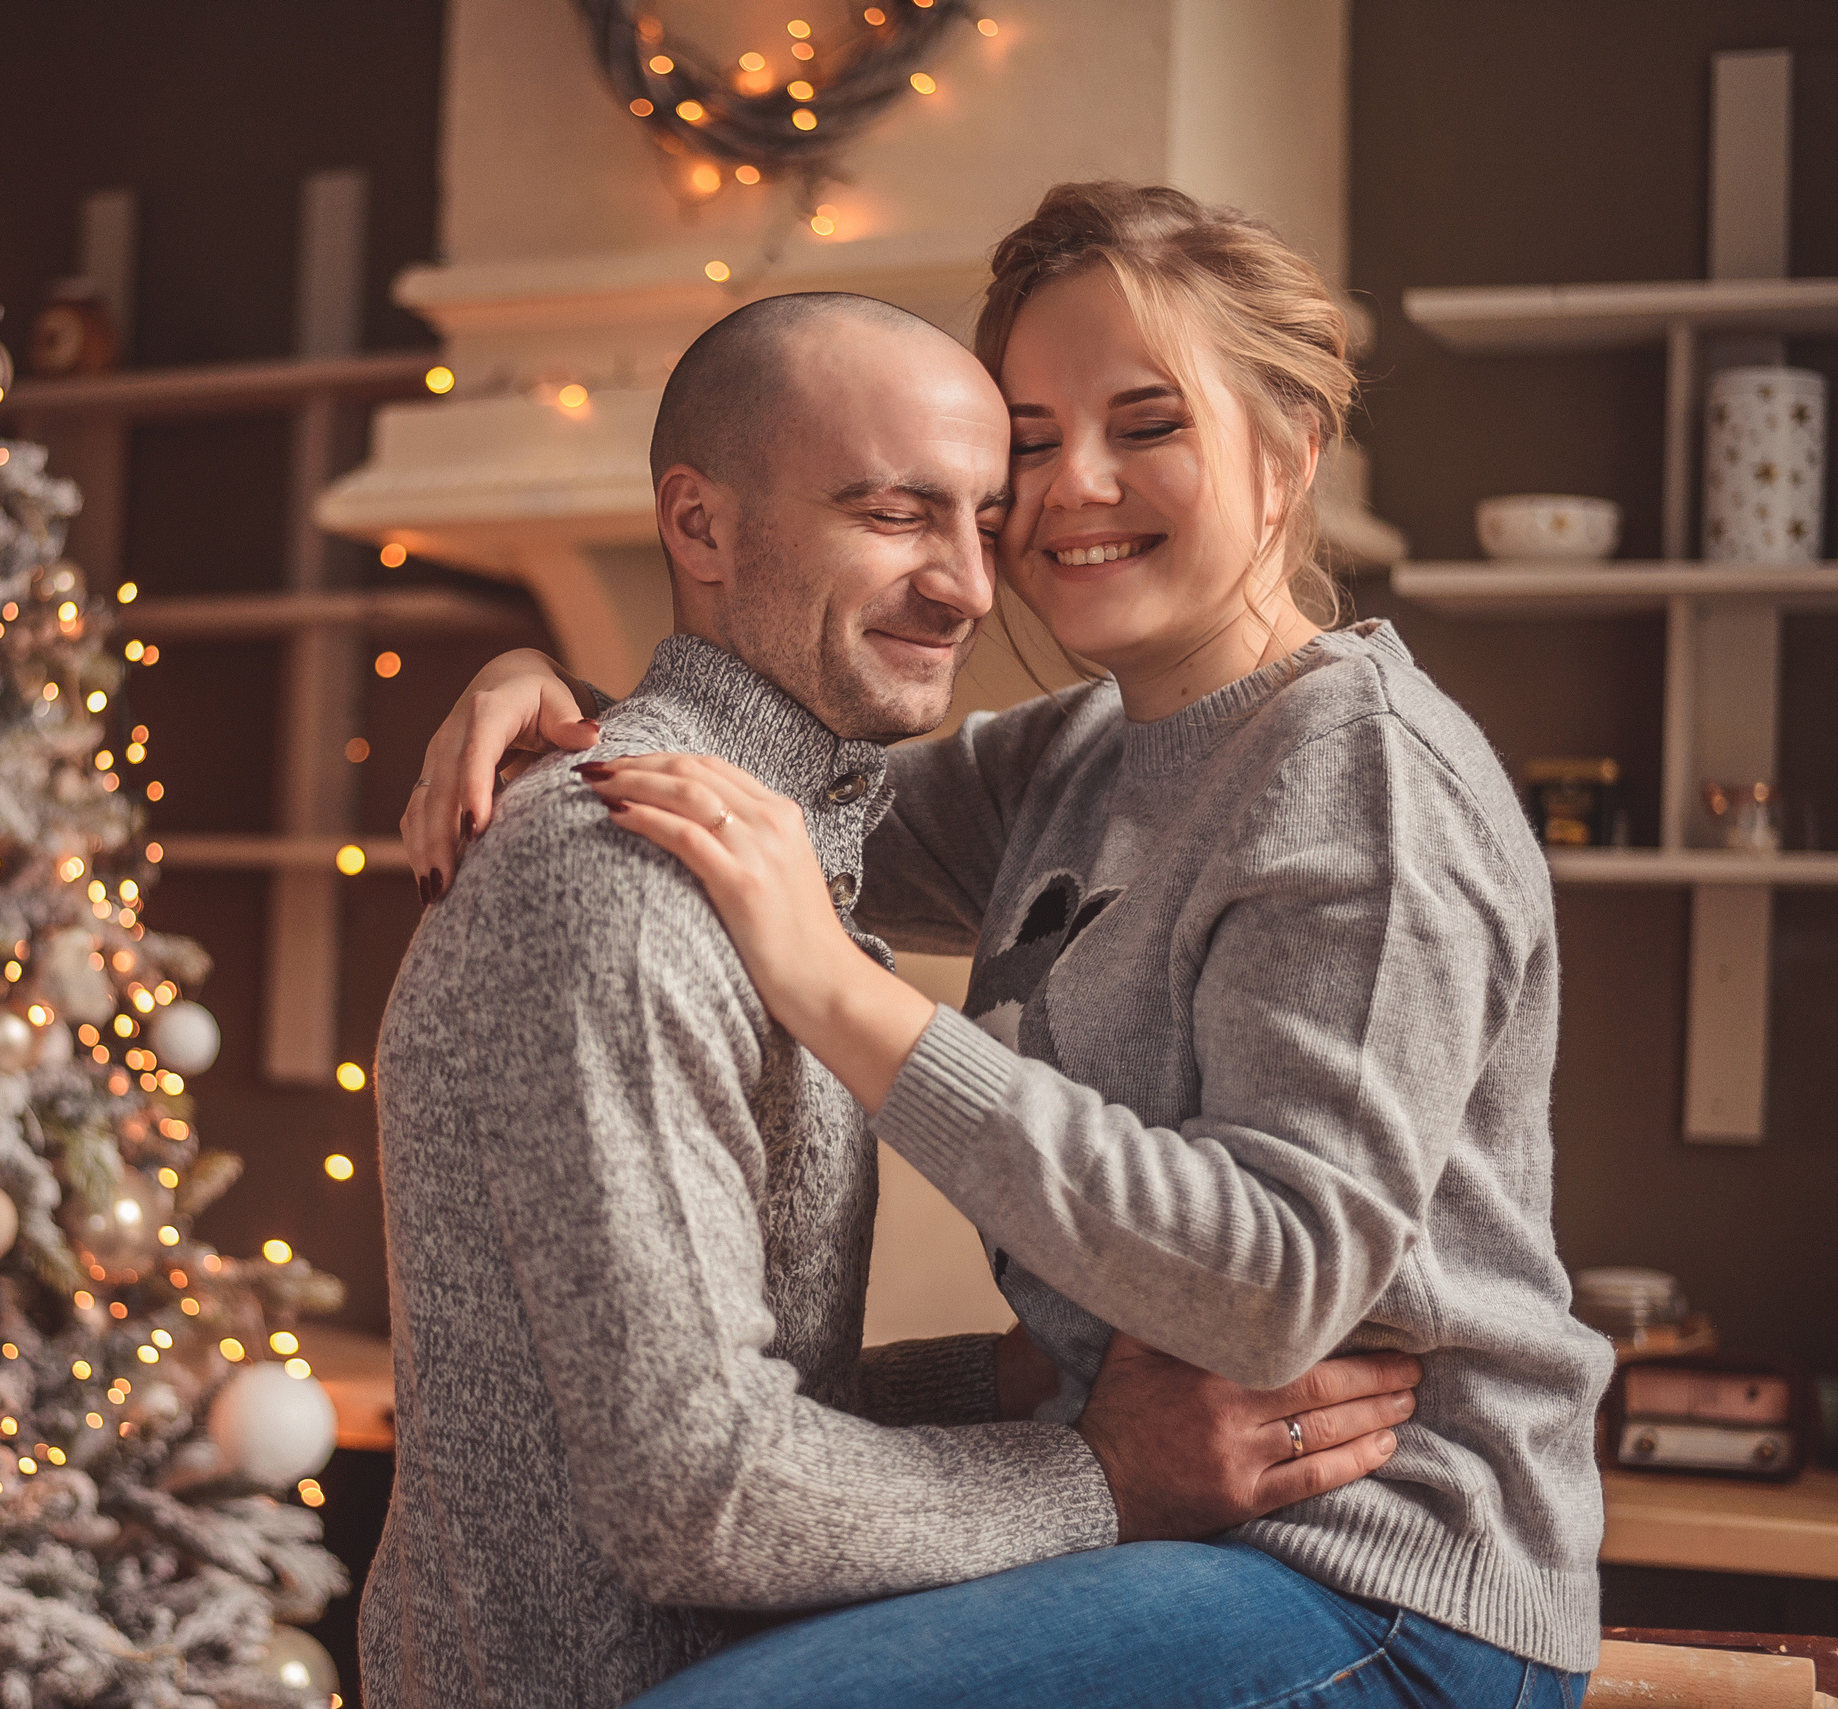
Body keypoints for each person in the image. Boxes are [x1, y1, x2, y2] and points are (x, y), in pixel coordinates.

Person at [402, 184, 1611, 1708]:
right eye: (1029, 445)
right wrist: (563, 700)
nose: (1066, 492)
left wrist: (841, 990)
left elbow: (1282, 1278)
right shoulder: (1074, 759)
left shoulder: (1365, 777)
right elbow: (783, 797)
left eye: (1146, 423)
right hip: (1174, 1537)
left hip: (1378, 1573)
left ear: (1290, 453)